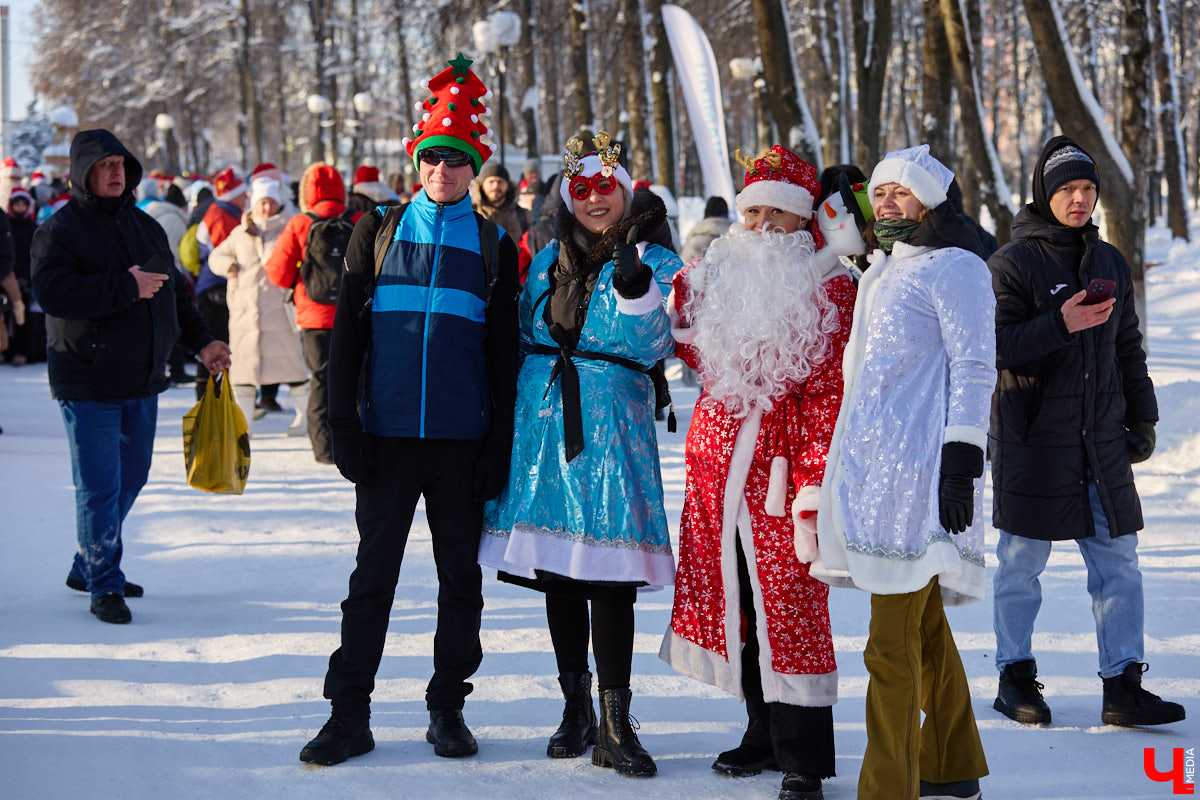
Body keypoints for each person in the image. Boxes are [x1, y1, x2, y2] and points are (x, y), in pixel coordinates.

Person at [298, 53, 519, 767]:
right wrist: (342, 424)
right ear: (416, 162)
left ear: (472, 165)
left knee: (461, 581)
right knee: (372, 580)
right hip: (388, 437)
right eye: (433, 159)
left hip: (461, 441)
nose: (444, 171)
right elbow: (347, 338)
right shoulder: (379, 229)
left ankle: (448, 708)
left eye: (457, 160)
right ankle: (348, 713)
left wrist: (499, 445)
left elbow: (503, 355)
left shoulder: (493, 245)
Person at [479, 130, 679, 778]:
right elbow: (518, 330)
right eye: (584, 189)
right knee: (558, 574)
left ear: (625, 195)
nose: (597, 201)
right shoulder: (543, 258)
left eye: (608, 189)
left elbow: (659, 343)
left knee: (611, 579)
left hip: (613, 435)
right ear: (569, 197)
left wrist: (636, 289)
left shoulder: (655, 259)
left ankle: (616, 723)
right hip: (543, 431)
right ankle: (576, 709)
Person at [661, 146, 855, 800]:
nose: (764, 224)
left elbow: (830, 392)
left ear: (803, 221)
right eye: (754, 211)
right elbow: (690, 346)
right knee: (740, 604)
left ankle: (804, 757)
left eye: (780, 211)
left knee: (792, 606)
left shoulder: (830, 287)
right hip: (719, 471)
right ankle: (761, 731)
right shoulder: (723, 277)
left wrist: (813, 484)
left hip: (781, 468)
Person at [813, 145, 993, 800]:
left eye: (901, 193)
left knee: (889, 647)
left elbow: (975, 366)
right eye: (879, 194)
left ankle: (887, 788)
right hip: (875, 483)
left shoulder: (957, 267)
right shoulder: (886, 267)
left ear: (933, 201)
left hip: (921, 482)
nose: (887, 204)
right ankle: (951, 763)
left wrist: (962, 458)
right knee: (923, 633)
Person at [987, 136, 1184, 729]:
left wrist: (1142, 414)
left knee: (1119, 563)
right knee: (1022, 564)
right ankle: (1014, 676)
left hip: (1099, 440)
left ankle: (1123, 684)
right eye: (1067, 189)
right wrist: (1061, 323)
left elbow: (1128, 345)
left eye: (1087, 189)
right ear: (1045, 195)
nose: (1079, 199)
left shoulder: (1110, 263)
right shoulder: (1011, 264)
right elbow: (994, 348)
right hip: (1032, 440)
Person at [30, 129, 230, 624]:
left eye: (121, 163)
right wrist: (124, 286)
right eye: (105, 165)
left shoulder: (145, 227)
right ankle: (104, 582)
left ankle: (87, 563)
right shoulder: (58, 230)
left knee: (132, 476)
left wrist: (203, 343)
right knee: (99, 485)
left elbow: (176, 296)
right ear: (83, 173)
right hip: (88, 379)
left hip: (142, 378)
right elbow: (54, 294)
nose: (116, 172)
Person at [264, 162, 360, 464]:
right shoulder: (357, 219)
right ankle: (358, 444)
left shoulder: (300, 223)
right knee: (357, 378)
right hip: (354, 312)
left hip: (314, 315)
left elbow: (277, 274)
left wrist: (299, 279)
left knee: (320, 380)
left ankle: (323, 449)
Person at [208, 176, 309, 435]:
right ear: (254, 203)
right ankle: (244, 423)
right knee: (243, 373)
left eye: (271, 203)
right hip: (245, 314)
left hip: (279, 311)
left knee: (294, 367)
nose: (266, 208)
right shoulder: (240, 232)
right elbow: (216, 256)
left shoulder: (290, 227)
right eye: (262, 202)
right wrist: (227, 266)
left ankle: (304, 418)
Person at [470, 162, 533, 248]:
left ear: (507, 186)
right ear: (482, 186)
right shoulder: (471, 214)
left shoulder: (523, 215)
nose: (496, 186)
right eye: (491, 182)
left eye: (500, 182)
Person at [679, 196, 733, 263]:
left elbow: (682, 269)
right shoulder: (736, 240)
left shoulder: (694, 242)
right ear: (726, 212)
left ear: (706, 211)